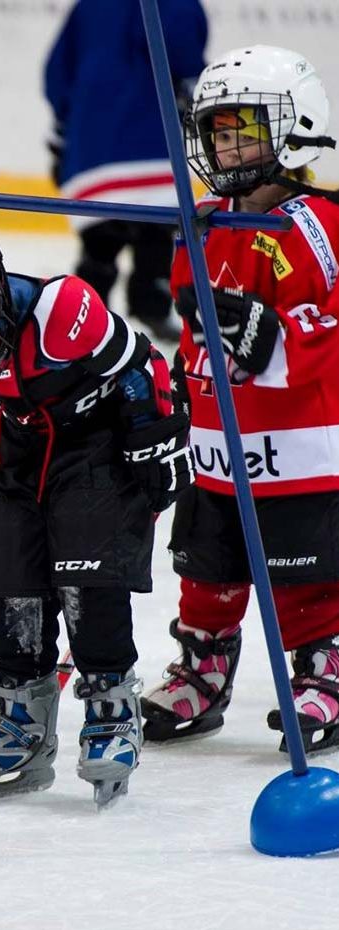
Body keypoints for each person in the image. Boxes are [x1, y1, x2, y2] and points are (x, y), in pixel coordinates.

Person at [0, 216, 195, 807]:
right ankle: (23, 715)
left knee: (86, 575)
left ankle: (109, 707)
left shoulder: (62, 315)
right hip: (23, 451)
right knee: (10, 575)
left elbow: (140, 364)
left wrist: (161, 436)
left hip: (93, 450)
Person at [140, 46, 339, 756]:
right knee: (206, 564)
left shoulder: (322, 224)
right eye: (217, 132)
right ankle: (204, 665)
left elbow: (333, 326)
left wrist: (272, 337)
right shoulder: (203, 222)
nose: (225, 146)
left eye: (241, 131)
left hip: (300, 452)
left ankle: (325, 666)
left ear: (298, 130)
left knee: (303, 571)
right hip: (219, 448)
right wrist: (176, 389)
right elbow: (195, 328)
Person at [44, 0, 207, 344]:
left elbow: (57, 72)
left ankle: (85, 310)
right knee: (155, 232)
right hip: (147, 136)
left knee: (99, 240)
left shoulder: (88, 6)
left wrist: (63, 132)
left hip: (89, 144)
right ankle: (151, 299)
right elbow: (183, 51)